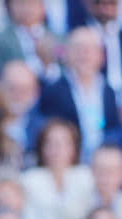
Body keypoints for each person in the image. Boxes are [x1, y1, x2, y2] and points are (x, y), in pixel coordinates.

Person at [36, 25, 122, 160]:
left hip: (103, 162)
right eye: (78, 49)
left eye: (90, 50)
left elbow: (113, 128)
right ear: (67, 53)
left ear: (101, 56)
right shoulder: (52, 91)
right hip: (69, 164)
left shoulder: (108, 90)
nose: (85, 55)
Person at [21, 118, 96, 219]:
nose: (57, 149)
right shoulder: (28, 180)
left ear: (74, 147)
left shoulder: (87, 176)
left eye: (63, 143)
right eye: (50, 143)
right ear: (42, 148)